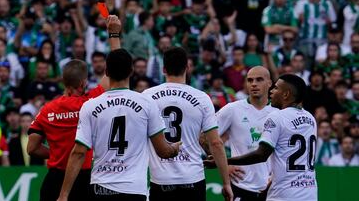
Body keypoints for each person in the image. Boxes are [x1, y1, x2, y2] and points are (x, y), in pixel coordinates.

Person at [57, 49, 181, 201]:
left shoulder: (90, 106)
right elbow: (163, 151)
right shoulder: (147, 103)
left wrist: (63, 195)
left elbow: (78, 153)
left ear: (106, 72)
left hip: (100, 188)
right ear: (131, 71)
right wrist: (174, 149)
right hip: (134, 189)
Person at [26, 15, 121, 201]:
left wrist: (56, 154)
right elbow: (116, 70)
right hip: (83, 179)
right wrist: (114, 33)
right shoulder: (91, 102)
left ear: (64, 81)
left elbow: (32, 148)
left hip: (53, 179)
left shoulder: (47, 110)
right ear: (84, 82)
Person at [206, 74, 318, 201]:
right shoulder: (310, 118)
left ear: (286, 95)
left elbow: (261, 155)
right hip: (310, 193)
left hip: (284, 194)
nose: (272, 91)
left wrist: (224, 161)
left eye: (276, 88)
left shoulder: (277, 116)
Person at [142, 47, 233, 201]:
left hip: (161, 179)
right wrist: (226, 182)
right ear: (187, 68)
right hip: (192, 179)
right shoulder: (202, 98)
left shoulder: (147, 96)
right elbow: (216, 143)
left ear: (164, 69)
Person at [216, 66, 278, 201]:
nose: (254, 84)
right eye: (250, 80)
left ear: (269, 83)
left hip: (271, 188)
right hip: (240, 187)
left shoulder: (279, 113)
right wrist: (225, 165)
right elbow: (205, 137)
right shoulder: (232, 109)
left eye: (259, 80)